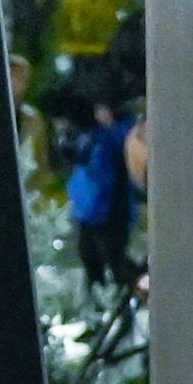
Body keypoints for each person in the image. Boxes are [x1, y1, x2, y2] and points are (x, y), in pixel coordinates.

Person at [65, 100, 138, 291]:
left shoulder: (123, 128)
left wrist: (110, 126)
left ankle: (131, 299)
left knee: (117, 263)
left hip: (113, 211)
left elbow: (129, 150)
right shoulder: (88, 132)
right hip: (87, 210)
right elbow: (73, 151)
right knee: (90, 261)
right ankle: (97, 306)